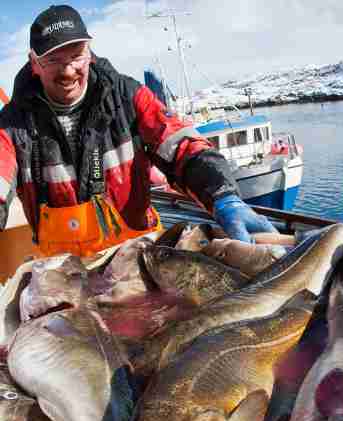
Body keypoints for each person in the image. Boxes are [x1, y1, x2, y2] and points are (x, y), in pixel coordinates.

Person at [0, 4, 277, 257]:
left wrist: (224, 197)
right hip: (64, 277)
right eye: (54, 61)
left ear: (90, 52)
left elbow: (180, 146)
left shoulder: (127, 97)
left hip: (139, 262)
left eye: (77, 56)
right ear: (34, 63)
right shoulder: (11, 125)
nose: (69, 70)